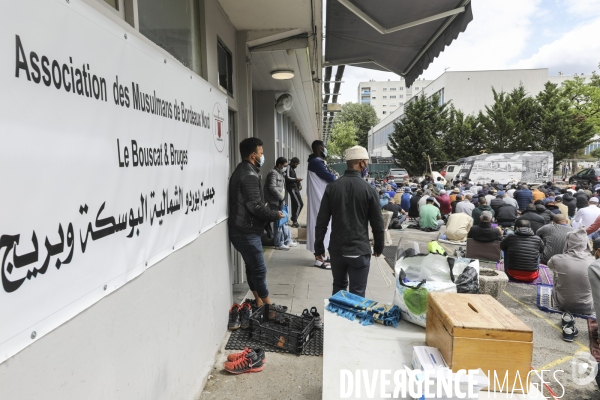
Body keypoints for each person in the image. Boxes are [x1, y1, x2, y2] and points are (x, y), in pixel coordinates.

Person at [314, 146, 384, 297]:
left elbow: (322, 221)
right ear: (361, 163)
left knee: (338, 287)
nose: (367, 165)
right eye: (367, 162)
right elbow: (378, 223)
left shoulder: (332, 188)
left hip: (337, 250)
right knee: (357, 294)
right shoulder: (369, 190)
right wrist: (379, 246)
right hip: (359, 251)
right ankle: (353, 320)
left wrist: (318, 247)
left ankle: (336, 320)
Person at [228, 137, 285, 309]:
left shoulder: (244, 170)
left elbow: (251, 202)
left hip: (242, 229)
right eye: (261, 153)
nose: (263, 155)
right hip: (246, 231)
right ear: (253, 155)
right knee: (259, 269)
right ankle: (270, 308)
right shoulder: (249, 175)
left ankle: (259, 302)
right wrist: (274, 214)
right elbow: (254, 206)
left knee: (252, 267)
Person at [548, 229, 595, 317]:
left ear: (568, 242)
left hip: (563, 304)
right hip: (588, 307)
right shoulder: (594, 262)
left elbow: (550, 266)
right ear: (587, 244)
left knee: (557, 274)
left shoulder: (556, 259)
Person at [306, 140, 336, 269]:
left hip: (321, 198)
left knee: (324, 227)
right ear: (319, 148)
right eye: (324, 147)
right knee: (320, 227)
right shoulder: (316, 163)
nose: (325, 149)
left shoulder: (317, 162)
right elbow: (331, 178)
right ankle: (318, 258)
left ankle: (322, 254)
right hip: (319, 199)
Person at [264, 157, 289, 250]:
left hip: (280, 201)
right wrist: (281, 197)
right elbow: (272, 187)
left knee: (282, 222)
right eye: (285, 166)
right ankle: (278, 243)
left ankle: (283, 241)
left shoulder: (281, 173)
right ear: (280, 165)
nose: (286, 167)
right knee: (278, 222)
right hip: (275, 201)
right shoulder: (273, 173)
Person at [285, 157, 304, 228]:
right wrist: (296, 179)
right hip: (292, 189)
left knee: (294, 204)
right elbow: (287, 177)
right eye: (296, 164)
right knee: (299, 204)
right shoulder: (288, 167)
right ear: (292, 162)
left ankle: (294, 220)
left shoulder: (292, 169)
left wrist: (297, 181)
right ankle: (294, 220)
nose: (296, 166)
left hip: (295, 188)